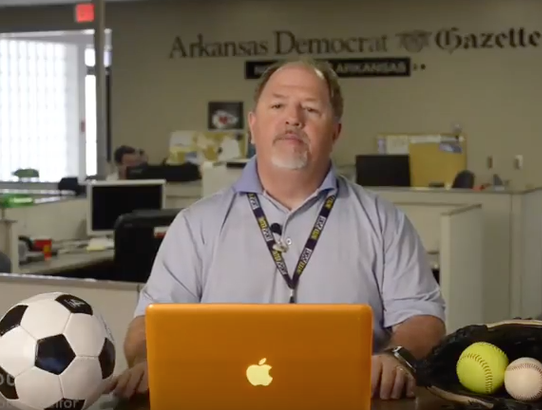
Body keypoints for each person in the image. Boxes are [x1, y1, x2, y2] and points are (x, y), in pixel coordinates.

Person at [106, 57, 446, 401]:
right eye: (278, 105)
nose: (292, 118)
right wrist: (148, 361)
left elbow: (423, 317)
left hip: (345, 401)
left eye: (311, 109)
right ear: (253, 125)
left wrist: (396, 357)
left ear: (335, 131)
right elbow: (148, 325)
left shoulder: (385, 222)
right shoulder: (197, 225)